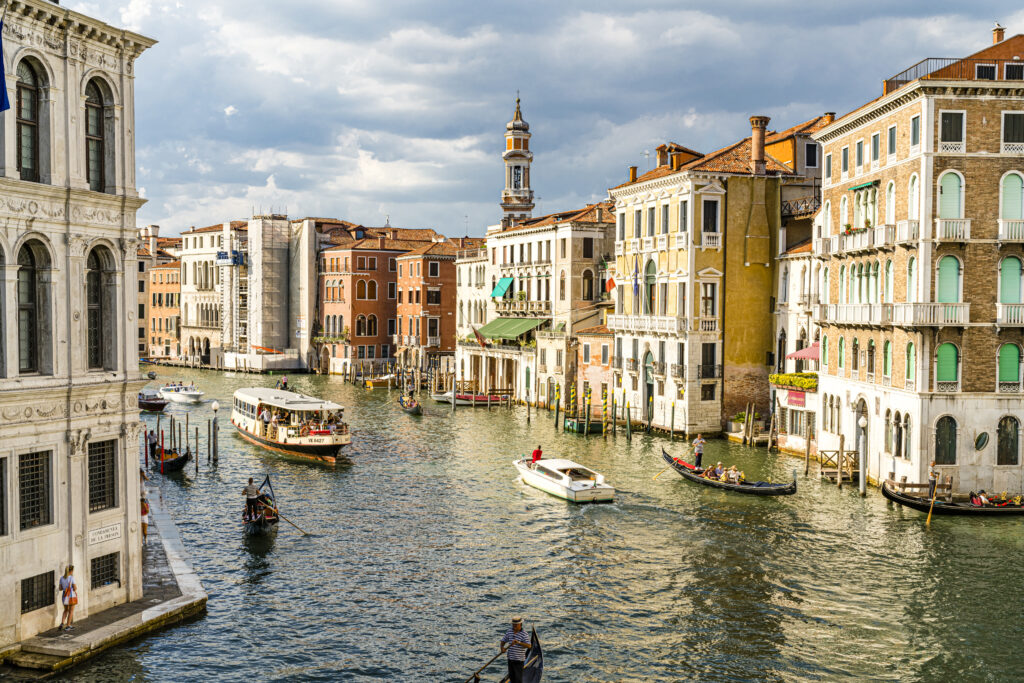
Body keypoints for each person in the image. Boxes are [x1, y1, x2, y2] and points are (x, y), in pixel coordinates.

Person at [500, 616, 531, 683]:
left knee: (518, 680)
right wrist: (502, 648)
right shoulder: (509, 631)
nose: (514, 626)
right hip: (510, 660)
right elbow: (503, 641)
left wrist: (518, 642)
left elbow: (529, 646)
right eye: (513, 624)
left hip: (519, 661)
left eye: (516, 624)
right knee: (512, 679)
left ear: (520, 624)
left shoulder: (524, 634)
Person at [59, 566, 77, 631]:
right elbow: (75, 588)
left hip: (64, 595)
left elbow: (60, 588)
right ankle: (68, 626)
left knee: (66, 610)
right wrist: (73, 588)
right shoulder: (71, 578)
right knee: (71, 611)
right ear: (71, 571)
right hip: (71, 595)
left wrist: (65, 587)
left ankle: (62, 623)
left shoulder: (61, 578)